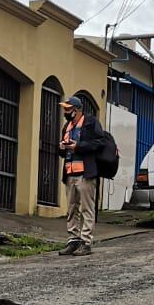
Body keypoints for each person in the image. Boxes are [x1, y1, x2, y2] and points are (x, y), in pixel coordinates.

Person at [57, 95, 108, 257]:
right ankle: (73, 240)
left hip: (86, 173)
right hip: (70, 173)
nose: (65, 112)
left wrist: (78, 146)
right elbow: (62, 152)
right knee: (72, 208)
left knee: (87, 208)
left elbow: (100, 143)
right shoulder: (67, 127)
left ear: (77, 110)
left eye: (68, 109)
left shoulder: (91, 123)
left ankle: (86, 242)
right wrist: (62, 148)